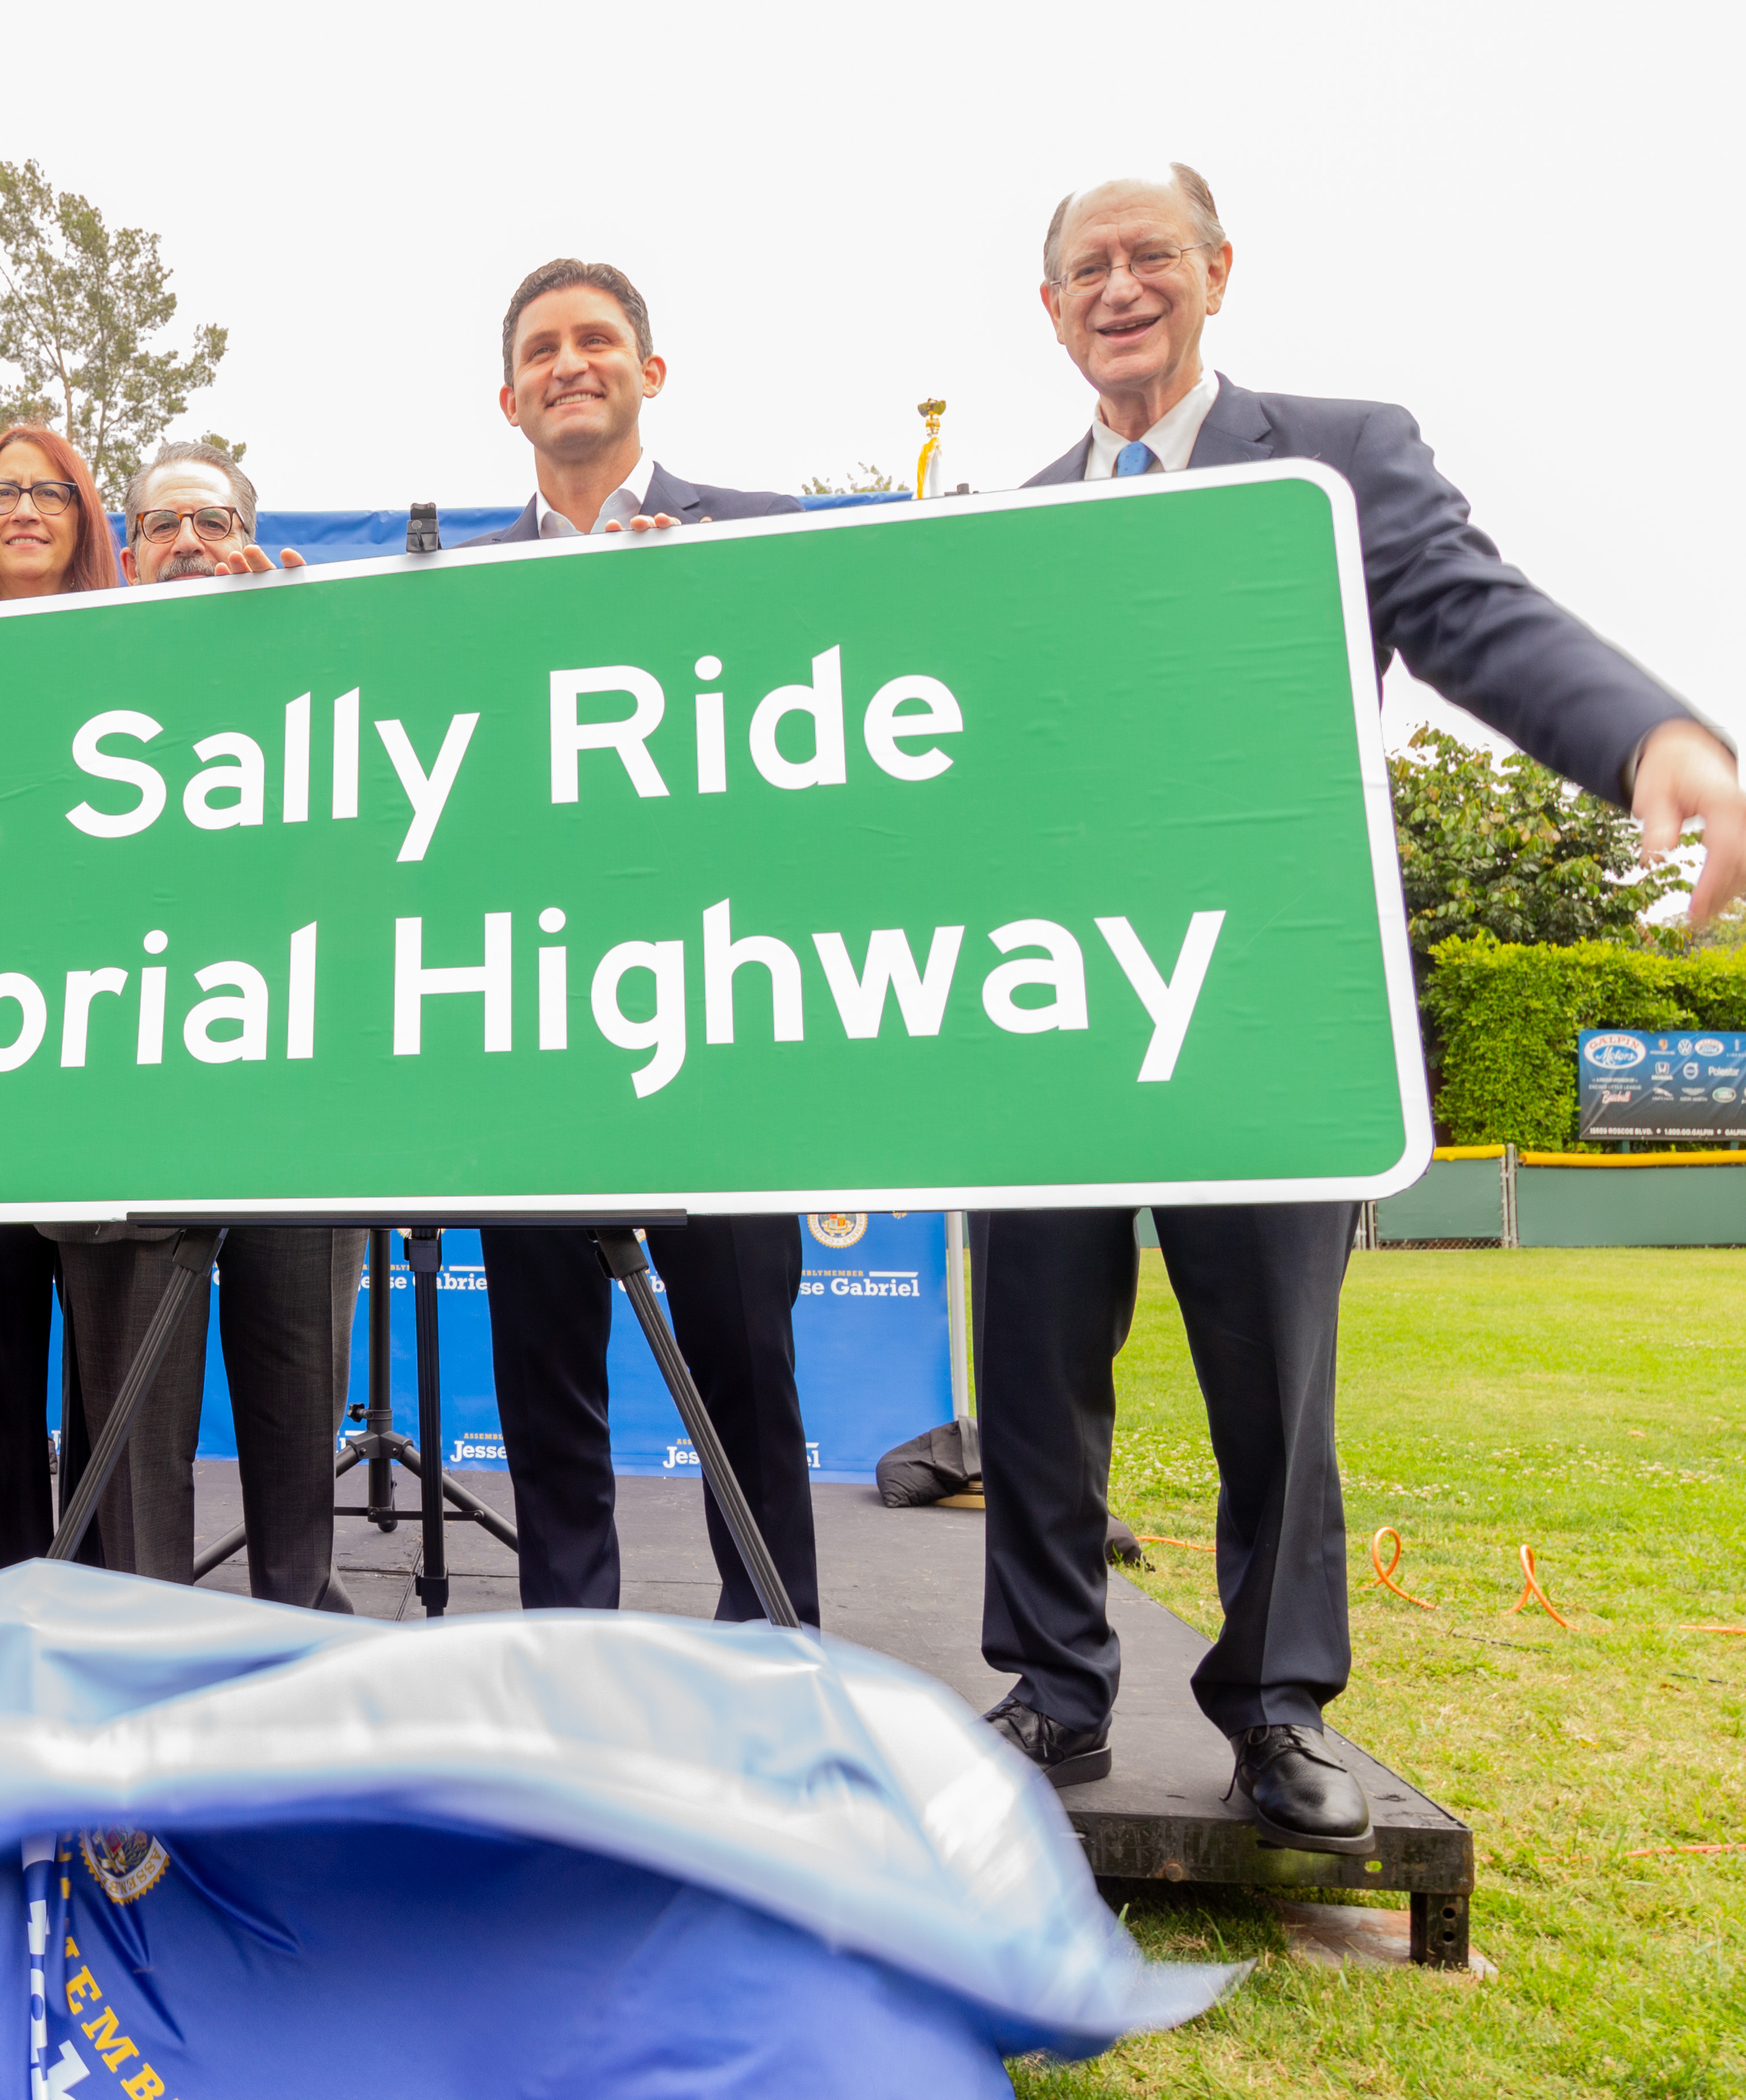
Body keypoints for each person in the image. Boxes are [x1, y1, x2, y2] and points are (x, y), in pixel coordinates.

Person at [977, 163, 1746, 1850]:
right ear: (1050, 310)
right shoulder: (1008, 517)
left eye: (1150, 256)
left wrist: (1647, 739)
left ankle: (1273, 1707)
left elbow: (1476, 615)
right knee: (1034, 1361)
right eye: (1086, 267)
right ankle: (1049, 1686)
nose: (1119, 287)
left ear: (1218, 272)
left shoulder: (1333, 460)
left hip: (1267, 1005)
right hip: (1045, 1016)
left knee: (1278, 1377)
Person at [449, 258, 824, 1627]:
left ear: (648, 370)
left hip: (716, 1033)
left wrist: (706, 613)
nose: (570, 362)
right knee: (546, 1383)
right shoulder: (447, 595)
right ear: (509, 396)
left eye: (596, 339)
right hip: (529, 1041)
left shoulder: (762, 540)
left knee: (744, 1369)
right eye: (542, 348)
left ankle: (777, 1658)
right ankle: (571, 1658)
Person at [43, 441, 359, 1608]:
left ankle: (295, 1643)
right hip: (123, 1106)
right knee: (135, 1435)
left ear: (247, 539)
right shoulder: (68, 681)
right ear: (127, 551)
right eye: (162, 523)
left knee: (298, 1391)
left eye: (211, 521)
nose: (187, 542)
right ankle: (144, 1664)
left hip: (296, 1107)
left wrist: (308, 650)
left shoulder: (321, 671)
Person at [0, 423, 123, 1593]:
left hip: (110, 1065)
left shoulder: (144, 653)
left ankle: (100, 1606)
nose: (28, 508)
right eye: (5, 493)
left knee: (111, 1372)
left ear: (85, 515)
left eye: (53, 490)